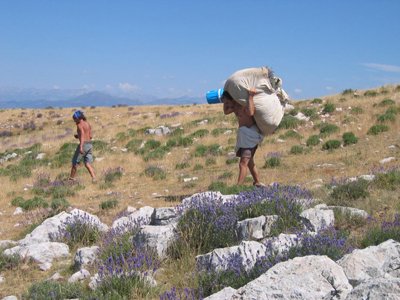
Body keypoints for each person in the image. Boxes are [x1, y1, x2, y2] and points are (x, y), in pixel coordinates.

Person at [222, 89, 265, 186]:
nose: (228, 104)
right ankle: (257, 182)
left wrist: (250, 96)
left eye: (228, 101)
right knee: (249, 162)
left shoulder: (242, 104)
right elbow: (226, 111)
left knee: (243, 163)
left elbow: (250, 113)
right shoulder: (235, 106)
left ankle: (238, 186)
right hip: (244, 137)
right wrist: (225, 102)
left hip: (250, 135)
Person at [69, 110, 96, 182]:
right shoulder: (87, 124)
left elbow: (83, 134)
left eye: (75, 119)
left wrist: (81, 146)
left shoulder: (79, 125)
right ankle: (94, 178)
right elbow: (90, 136)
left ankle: (71, 179)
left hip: (83, 145)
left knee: (75, 162)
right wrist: (78, 136)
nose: (74, 121)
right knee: (87, 163)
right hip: (89, 145)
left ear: (78, 118)